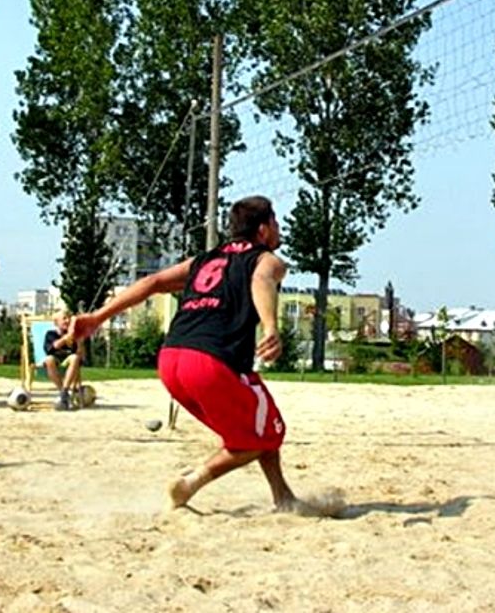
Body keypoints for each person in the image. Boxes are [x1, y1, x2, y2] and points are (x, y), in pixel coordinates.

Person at [62, 195, 302, 512]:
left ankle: (283, 497)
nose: (279, 227)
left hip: (172, 359)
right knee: (259, 437)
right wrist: (271, 326)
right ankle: (190, 483)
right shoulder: (266, 259)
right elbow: (262, 280)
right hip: (212, 361)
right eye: (275, 221)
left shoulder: (204, 259)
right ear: (262, 229)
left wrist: (98, 317)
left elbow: (153, 281)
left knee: (260, 424)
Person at [45, 312, 83, 411]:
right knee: (49, 359)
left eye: (68, 319)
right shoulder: (50, 334)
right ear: (56, 322)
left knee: (75, 358)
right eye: (64, 318)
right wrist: (64, 339)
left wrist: (79, 341)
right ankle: (64, 393)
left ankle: (64, 392)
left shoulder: (72, 336)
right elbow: (51, 349)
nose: (67, 321)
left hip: (68, 361)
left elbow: (79, 354)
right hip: (55, 359)